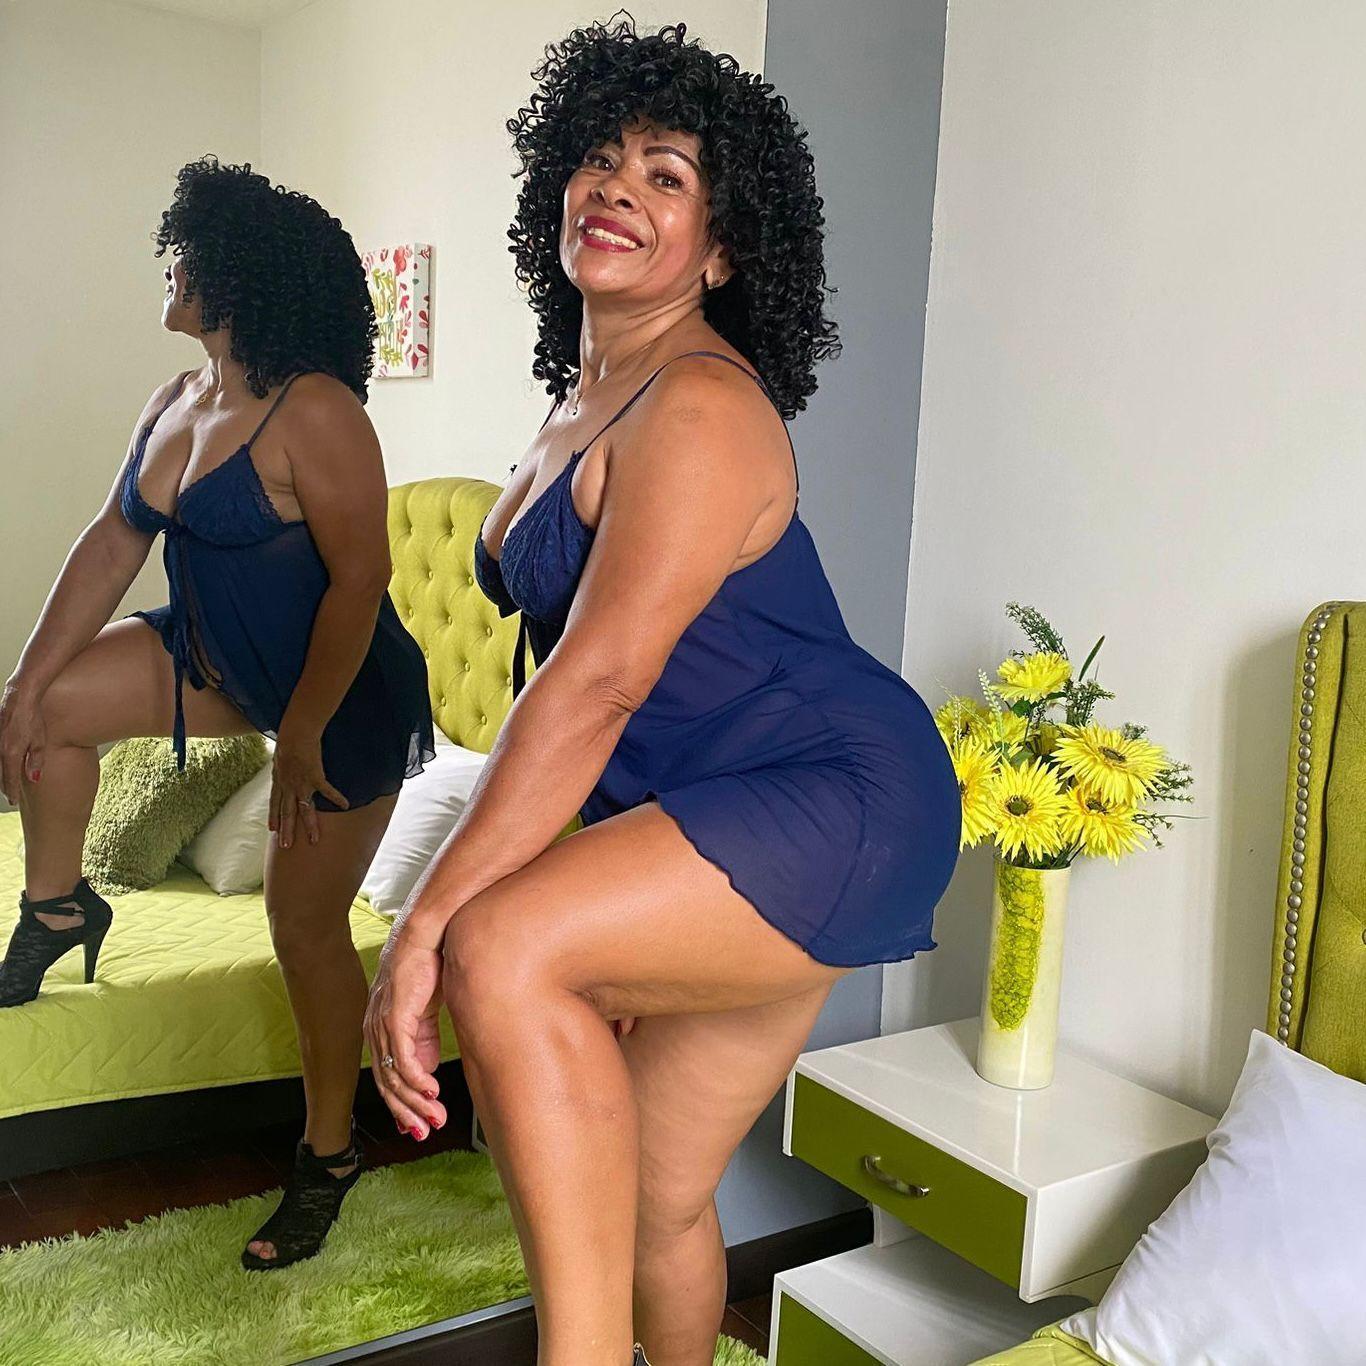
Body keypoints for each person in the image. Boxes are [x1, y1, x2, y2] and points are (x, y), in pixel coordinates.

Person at [365, 18, 960, 1366]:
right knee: (657, 1197)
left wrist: (423, 926)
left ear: (723, 249)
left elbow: (596, 686)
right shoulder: (586, 400)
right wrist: (619, 897)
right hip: (729, 810)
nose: (617, 186)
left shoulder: (695, 404)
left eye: (666, 174)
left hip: (831, 796)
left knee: (497, 946)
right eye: (599, 156)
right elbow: (590, 704)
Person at [0, 156, 436, 1272]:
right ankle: (57, 909)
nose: (171, 268)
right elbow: (112, 545)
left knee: (301, 928)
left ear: (238, 273)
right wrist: (22, 682)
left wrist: (301, 737)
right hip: (217, 661)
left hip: (341, 696)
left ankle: (329, 1154)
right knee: (47, 715)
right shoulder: (176, 401)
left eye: (187, 252)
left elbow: (360, 584)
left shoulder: (316, 412)